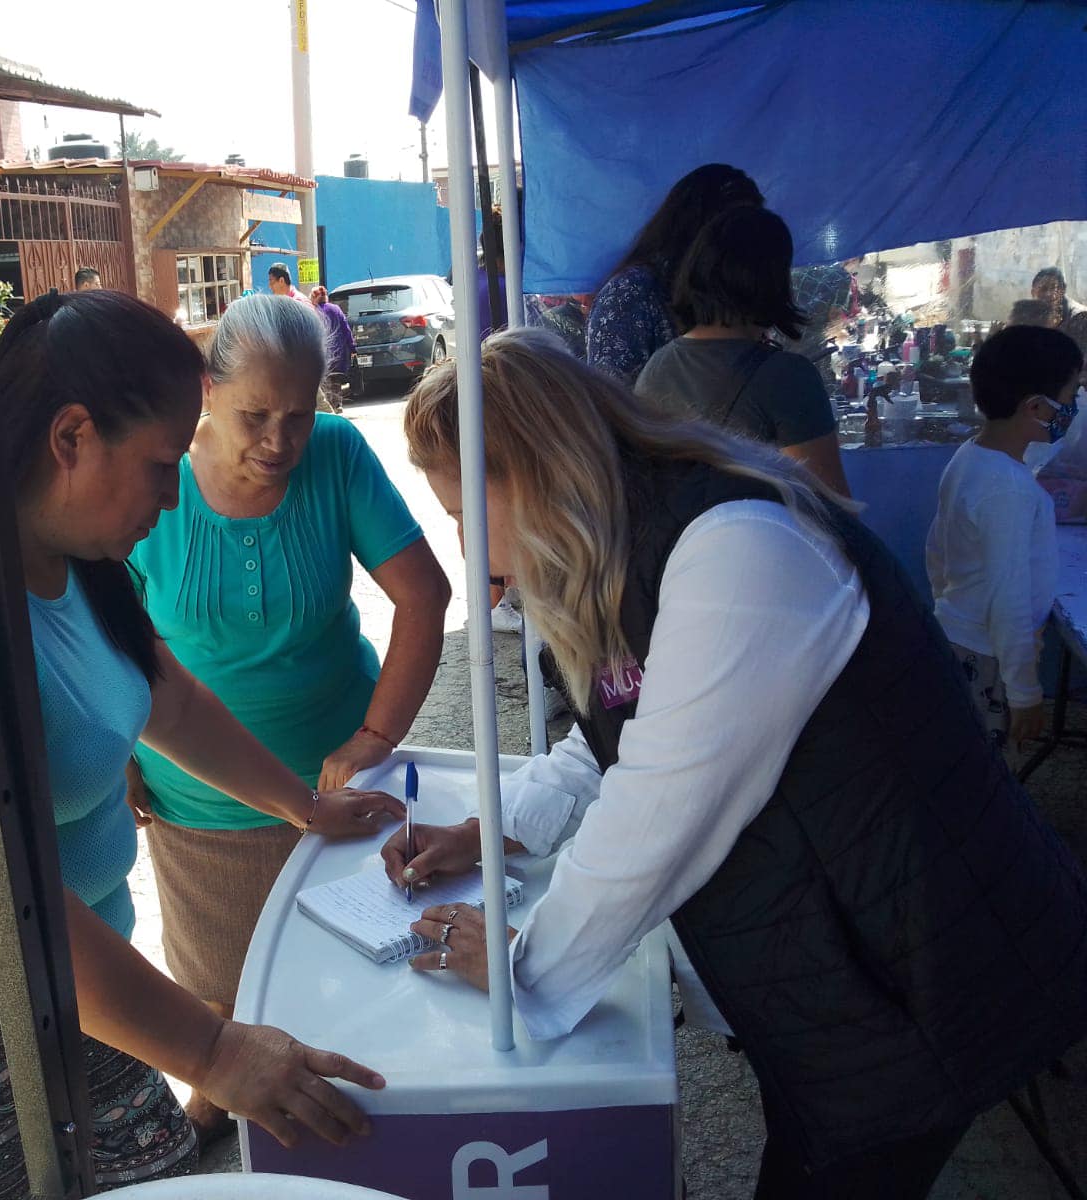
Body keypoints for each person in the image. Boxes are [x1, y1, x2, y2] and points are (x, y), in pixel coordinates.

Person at [384, 329, 1087, 1199]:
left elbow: (661, 802)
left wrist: (522, 967)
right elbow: (622, 732)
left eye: (463, 513)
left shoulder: (736, 545)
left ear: (529, 471)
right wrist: (492, 831)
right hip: (858, 964)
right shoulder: (648, 532)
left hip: (925, 965)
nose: (465, 545)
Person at [0, 288, 397, 1197]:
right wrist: (216, 1051)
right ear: (71, 437)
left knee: (162, 1172)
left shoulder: (66, 556)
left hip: (57, 990)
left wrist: (304, 806)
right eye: (159, 461)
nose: (176, 490)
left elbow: (169, 704)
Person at [127, 293, 449, 1138]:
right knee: (220, 988)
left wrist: (374, 737)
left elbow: (425, 596)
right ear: (207, 390)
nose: (278, 442)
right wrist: (120, 755)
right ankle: (218, 1099)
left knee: (355, 973)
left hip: (338, 791)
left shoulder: (337, 457)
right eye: (255, 414)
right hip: (200, 804)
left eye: (298, 416)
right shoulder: (158, 477)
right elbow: (109, 634)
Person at [927, 325, 1082, 749]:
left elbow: (936, 551)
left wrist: (947, 605)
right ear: (1035, 407)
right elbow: (1008, 599)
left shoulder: (970, 457)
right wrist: (1026, 692)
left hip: (960, 637)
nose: (1075, 407)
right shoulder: (1009, 488)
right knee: (988, 769)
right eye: (1070, 397)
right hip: (988, 654)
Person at [635, 206, 851, 496]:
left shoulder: (655, 369)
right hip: (764, 538)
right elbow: (831, 505)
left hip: (684, 540)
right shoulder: (788, 377)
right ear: (772, 283)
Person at [586, 163, 763, 384]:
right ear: (697, 227)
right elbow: (611, 402)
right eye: (735, 229)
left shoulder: (736, 292)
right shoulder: (631, 292)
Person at [310, 283, 353, 411]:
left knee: (324, 380)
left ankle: (328, 404)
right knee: (336, 379)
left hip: (322, 352)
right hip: (338, 352)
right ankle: (337, 404)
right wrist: (352, 347)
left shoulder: (314, 311)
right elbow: (346, 329)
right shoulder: (336, 309)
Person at [1032, 266, 1087, 357]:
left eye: (1054, 288)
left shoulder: (1080, 316)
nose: (1050, 294)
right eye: (1044, 289)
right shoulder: (1037, 312)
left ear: (1063, 290)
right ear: (1033, 292)